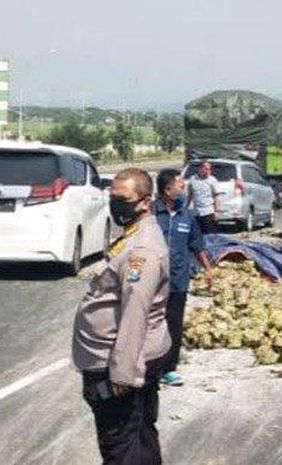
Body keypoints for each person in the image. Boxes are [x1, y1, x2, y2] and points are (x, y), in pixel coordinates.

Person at [72, 168, 170, 465]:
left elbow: (135, 312)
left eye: (123, 199)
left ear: (145, 202)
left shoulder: (142, 250)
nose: (116, 204)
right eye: (112, 197)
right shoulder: (132, 236)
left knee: (120, 446)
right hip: (122, 359)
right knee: (139, 435)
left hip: (117, 365)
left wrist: (123, 373)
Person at [154, 169, 214, 386]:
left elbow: (197, 245)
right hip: (152, 283)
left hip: (178, 280)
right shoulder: (150, 214)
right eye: (180, 186)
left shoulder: (186, 217)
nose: (184, 189)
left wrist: (208, 269)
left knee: (174, 325)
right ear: (167, 190)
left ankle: (169, 368)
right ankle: (149, 367)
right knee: (150, 324)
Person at [187, 161, 221, 234]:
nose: (208, 171)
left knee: (209, 236)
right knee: (197, 235)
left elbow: (216, 196)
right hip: (196, 212)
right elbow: (189, 195)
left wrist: (216, 212)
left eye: (209, 169)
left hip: (208, 212)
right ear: (200, 168)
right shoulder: (192, 179)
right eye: (206, 169)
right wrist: (185, 209)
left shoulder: (212, 180)